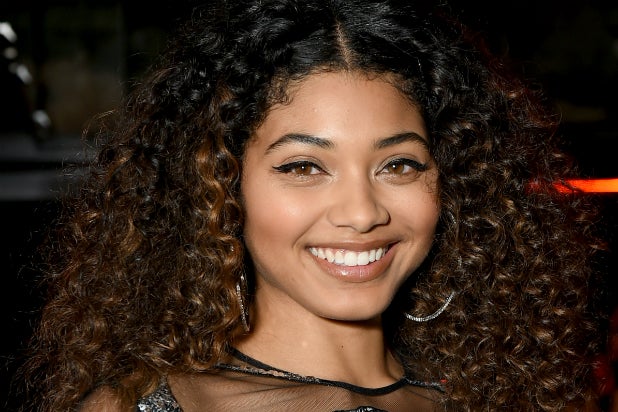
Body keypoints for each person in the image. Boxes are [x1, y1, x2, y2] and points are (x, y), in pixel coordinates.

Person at [19, 0, 604, 410]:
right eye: (303, 167)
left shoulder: (510, 400)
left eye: (399, 164)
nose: (362, 213)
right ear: (218, 186)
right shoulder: (138, 407)